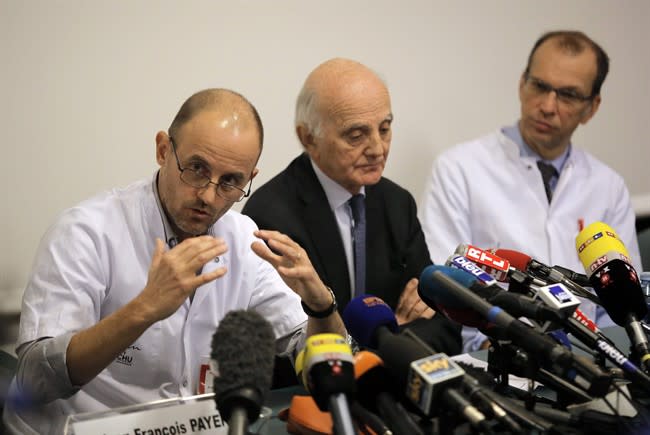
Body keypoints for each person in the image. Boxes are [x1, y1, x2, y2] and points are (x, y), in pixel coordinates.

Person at [3, 89, 346, 434]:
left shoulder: (244, 239)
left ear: (250, 178)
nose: (209, 196)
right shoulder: (86, 231)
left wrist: (321, 306)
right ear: (163, 150)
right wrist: (144, 309)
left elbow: (318, 362)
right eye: (196, 169)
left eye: (230, 181)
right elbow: (35, 377)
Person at [419, 30, 642, 352]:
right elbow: (442, 284)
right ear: (522, 83)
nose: (548, 106)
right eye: (539, 86)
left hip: (595, 360)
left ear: (592, 107)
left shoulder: (608, 187)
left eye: (567, 95)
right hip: (496, 359)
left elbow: (625, 302)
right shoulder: (458, 168)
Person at [242, 58, 462, 363]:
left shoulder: (397, 204)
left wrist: (374, 343)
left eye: (384, 129)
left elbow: (444, 331)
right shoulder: (271, 216)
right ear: (308, 138)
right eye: (356, 136)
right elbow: (296, 351)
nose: (377, 148)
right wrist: (392, 332)